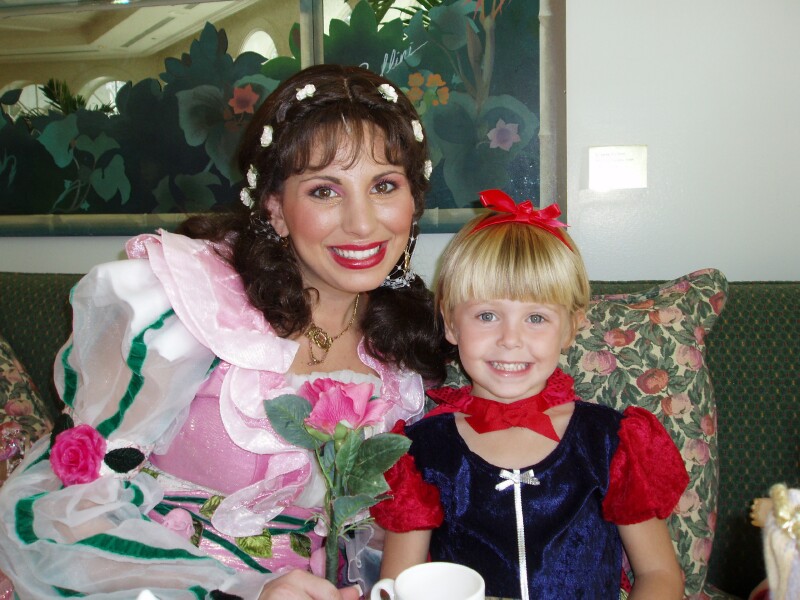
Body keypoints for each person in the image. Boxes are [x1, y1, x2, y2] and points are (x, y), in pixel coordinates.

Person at [0, 64, 448, 599]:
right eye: (325, 191)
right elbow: (65, 507)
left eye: (384, 186)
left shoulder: (407, 349)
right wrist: (241, 591)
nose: (362, 223)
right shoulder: (191, 308)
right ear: (276, 209)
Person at [371, 189, 689, 599]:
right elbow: (401, 586)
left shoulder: (611, 441)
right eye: (487, 315)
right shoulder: (421, 453)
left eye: (536, 318)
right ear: (450, 323)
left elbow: (659, 574)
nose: (510, 339)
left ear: (570, 328)